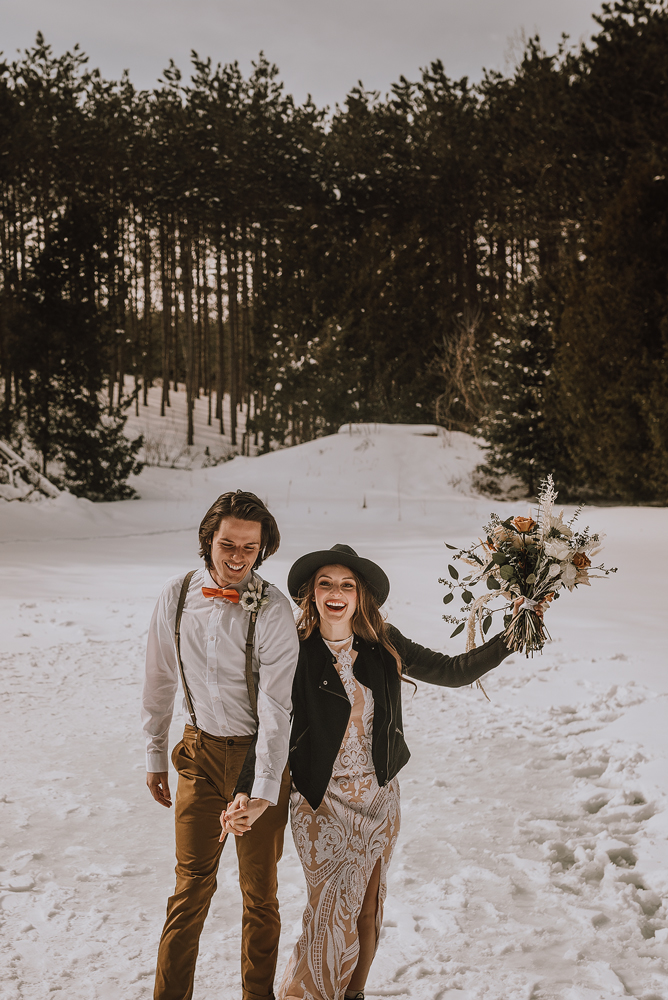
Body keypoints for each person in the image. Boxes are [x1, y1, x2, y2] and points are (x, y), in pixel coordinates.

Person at [224, 543, 547, 1000]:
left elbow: (454, 671)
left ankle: (351, 993)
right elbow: (270, 726)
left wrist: (517, 631)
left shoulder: (383, 643)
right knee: (330, 911)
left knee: (367, 912)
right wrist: (245, 789)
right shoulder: (294, 651)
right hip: (322, 803)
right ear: (311, 595)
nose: (336, 592)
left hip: (379, 799)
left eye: (347, 585)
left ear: (360, 596)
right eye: (326, 584)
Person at [142, 490, 299, 1000]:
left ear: (263, 550)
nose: (236, 558)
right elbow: (160, 678)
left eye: (248, 549)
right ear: (208, 539)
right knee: (190, 889)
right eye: (227, 544)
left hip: (260, 755)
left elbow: (278, 707)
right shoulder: (177, 594)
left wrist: (265, 788)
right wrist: (153, 753)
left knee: (260, 896)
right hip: (199, 754)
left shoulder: (274, 608)